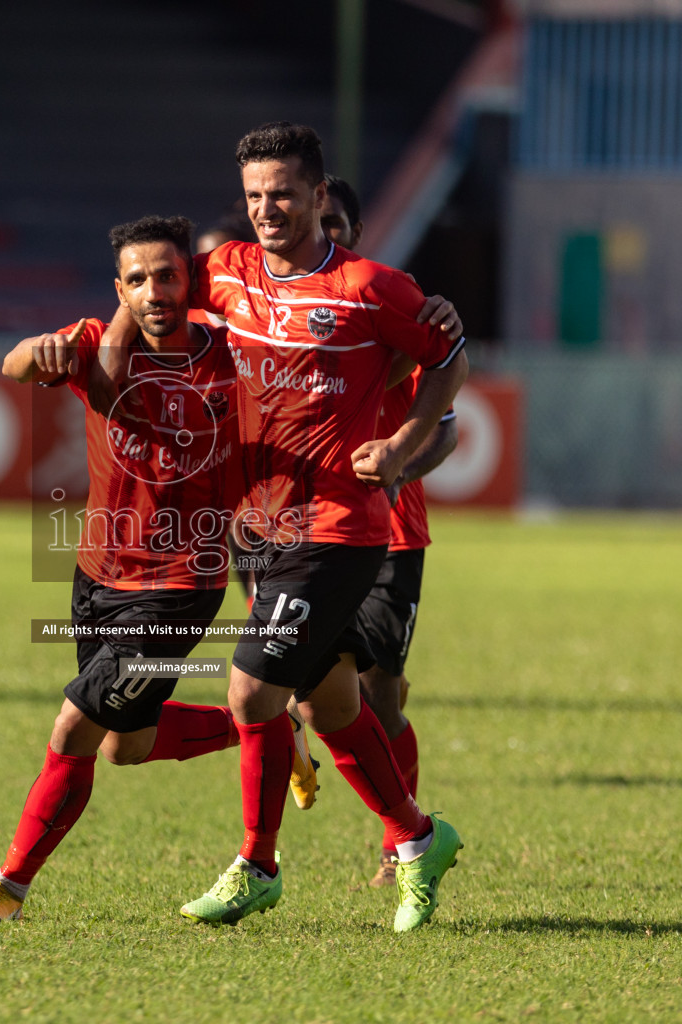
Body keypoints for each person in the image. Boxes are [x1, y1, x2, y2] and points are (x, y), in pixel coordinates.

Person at [148, 122, 469, 932]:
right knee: (329, 704)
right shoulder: (224, 273)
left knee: (255, 689)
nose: (268, 209)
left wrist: (399, 445)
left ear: (320, 196)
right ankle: (415, 837)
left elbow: (450, 356)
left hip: (341, 528)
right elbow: (146, 299)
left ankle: (257, 864)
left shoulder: (371, 286)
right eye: (255, 196)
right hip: (259, 528)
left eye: (283, 193)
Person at [0, 215, 245, 922]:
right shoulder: (95, 346)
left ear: (190, 280)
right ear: (120, 289)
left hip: (178, 589)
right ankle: (263, 725)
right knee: (124, 746)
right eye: (136, 279)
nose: (153, 291)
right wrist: (40, 349)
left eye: (167, 275)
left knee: (73, 727)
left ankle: (7, 889)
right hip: (97, 577)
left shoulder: (234, 359)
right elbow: (13, 366)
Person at [316, 173, 461, 888]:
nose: (326, 232)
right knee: (306, 686)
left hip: (391, 535)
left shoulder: (389, 306)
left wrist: (400, 464)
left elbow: (449, 428)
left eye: (336, 222)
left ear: (356, 230)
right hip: (302, 529)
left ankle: (399, 840)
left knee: (377, 693)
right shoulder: (280, 311)